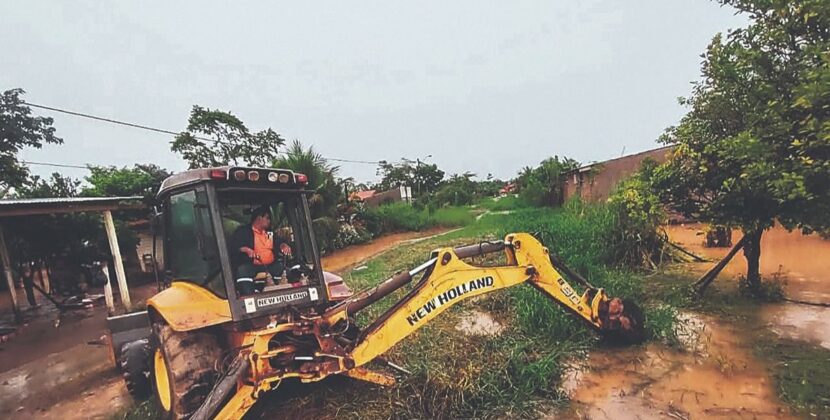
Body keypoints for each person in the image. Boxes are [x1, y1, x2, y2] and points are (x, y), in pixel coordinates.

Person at [228, 205, 293, 295]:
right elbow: (233, 246)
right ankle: (250, 296)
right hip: (252, 265)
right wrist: (246, 250)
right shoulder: (243, 231)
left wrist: (283, 245)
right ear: (259, 218)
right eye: (267, 218)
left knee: (286, 271)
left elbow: (279, 241)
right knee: (242, 271)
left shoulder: (269, 233)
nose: (269, 221)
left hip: (270, 265)